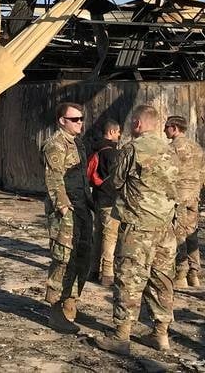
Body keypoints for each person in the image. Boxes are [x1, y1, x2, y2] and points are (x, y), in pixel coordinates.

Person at [94, 105, 178, 355]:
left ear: (139, 125)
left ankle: (121, 337)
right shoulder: (171, 151)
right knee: (162, 281)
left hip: (139, 227)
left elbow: (116, 181)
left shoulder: (132, 149)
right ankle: (161, 336)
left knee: (129, 280)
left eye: (132, 124)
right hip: (166, 227)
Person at [41, 102, 93, 334]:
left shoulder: (77, 143)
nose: (80, 122)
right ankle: (55, 310)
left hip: (82, 208)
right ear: (62, 121)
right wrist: (64, 210)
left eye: (81, 118)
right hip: (67, 211)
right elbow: (54, 179)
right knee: (63, 259)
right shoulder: (55, 145)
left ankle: (70, 304)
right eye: (74, 119)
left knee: (82, 258)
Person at [165, 115, 205, 288]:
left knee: (178, 234)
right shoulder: (197, 148)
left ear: (174, 128)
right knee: (192, 233)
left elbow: (166, 174)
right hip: (193, 196)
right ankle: (194, 273)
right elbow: (203, 173)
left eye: (166, 126)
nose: (164, 130)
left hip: (178, 198)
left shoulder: (171, 149)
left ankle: (180, 273)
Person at [87, 120, 122, 287]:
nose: (120, 135)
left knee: (98, 235)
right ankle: (107, 273)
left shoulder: (94, 149)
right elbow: (118, 179)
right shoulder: (113, 154)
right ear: (112, 132)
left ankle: (93, 270)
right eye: (118, 132)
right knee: (110, 237)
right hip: (110, 201)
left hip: (97, 199)